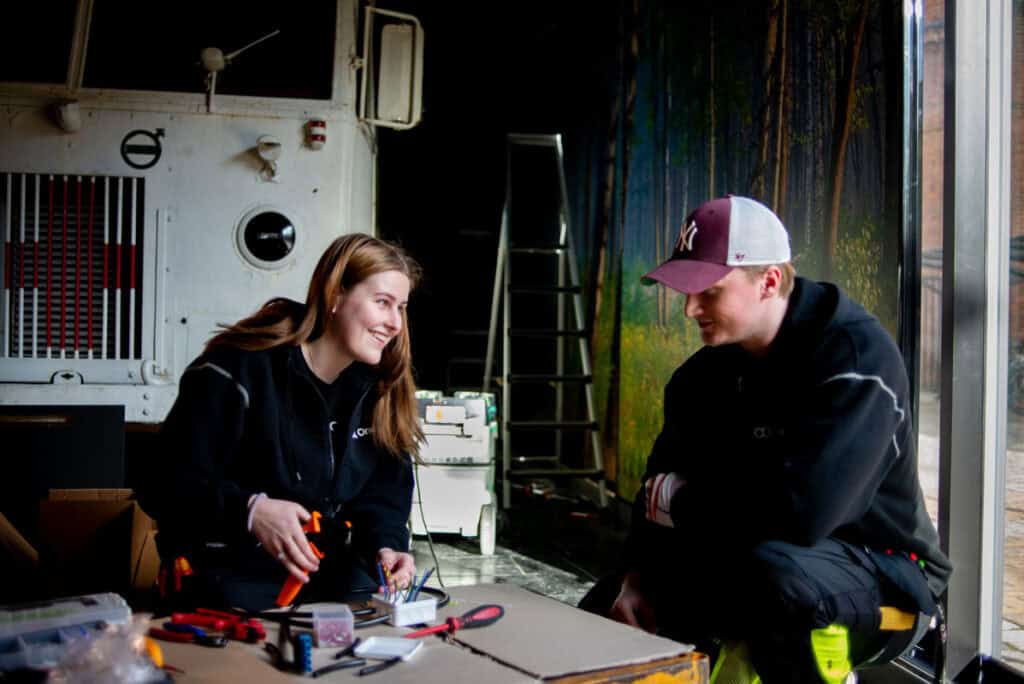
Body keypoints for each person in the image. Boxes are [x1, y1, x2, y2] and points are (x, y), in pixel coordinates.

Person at [580, 196, 951, 683]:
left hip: (886, 571)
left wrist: (684, 502)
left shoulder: (855, 359)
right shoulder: (702, 377)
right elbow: (656, 492)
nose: (690, 308)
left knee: (774, 579)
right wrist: (637, 577)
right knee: (607, 603)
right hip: (753, 553)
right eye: (686, 292)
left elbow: (805, 515)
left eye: (707, 292)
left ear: (769, 281)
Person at [137, 233, 423, 612]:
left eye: (400, 308)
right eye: (382, 303)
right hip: (228, 583)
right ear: (335, 294)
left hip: (331, 583)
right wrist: (251, 510)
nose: (394, 324)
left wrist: (388, 546)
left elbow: (384, 495)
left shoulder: (378, 388)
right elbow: (163, 482)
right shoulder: (238, 370)